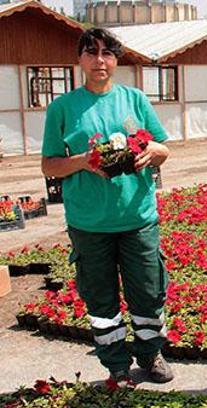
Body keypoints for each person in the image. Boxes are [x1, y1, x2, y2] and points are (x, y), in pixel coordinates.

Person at [41, 28, 172, 386]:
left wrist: (152, 152)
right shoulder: (63, 108)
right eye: (91, 53)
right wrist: (83, 160)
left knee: (148, 292)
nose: (100, 60)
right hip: (89, 222)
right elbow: (49, 165)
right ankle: (115, 363)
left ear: (116, 60)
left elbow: (162, 147)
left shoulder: (134, 100)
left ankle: (150, 355)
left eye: (108, 54)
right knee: (101, 302)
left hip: (137, 217)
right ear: (80, 59)